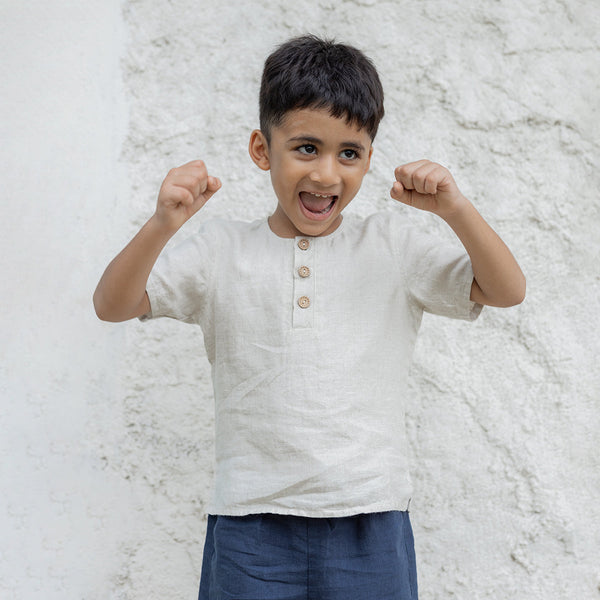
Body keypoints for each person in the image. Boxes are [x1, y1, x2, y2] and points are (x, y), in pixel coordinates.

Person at [94, 34, 525, 600]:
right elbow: (114, 304)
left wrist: (455, 208)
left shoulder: (392, 244)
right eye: (305, 148)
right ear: (260, 149)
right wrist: (163, 224)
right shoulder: (221, 250)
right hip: (251, 520)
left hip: (371, 517)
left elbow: (505, 290)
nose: (326, 174)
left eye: (349, 153)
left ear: (369, 157)